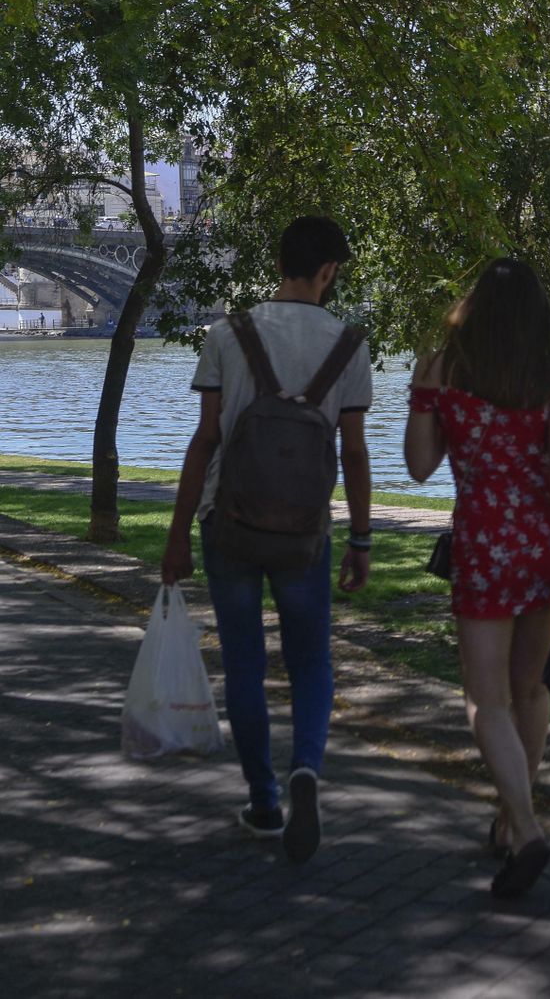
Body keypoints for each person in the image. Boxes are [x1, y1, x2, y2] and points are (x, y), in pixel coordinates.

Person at [161, 215, 373, 864]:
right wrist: (362, 540)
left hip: (229, 524)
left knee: (246, 665)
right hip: (305, 533)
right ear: (328, 271)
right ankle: (305, 765)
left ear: (280, 263)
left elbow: (206, 440)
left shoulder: (227, 335)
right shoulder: (349, 344)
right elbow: (356, 452)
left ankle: (264, 799)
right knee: (311, 662)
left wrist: (175, 537)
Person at [403, 257, 550, 898]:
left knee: (485, 700)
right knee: (531, 691)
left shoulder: (444, 368)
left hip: (484, 545)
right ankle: (510, 822)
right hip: (544, 548)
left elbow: (419, 466)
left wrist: (422, 394)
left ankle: (523, 827)